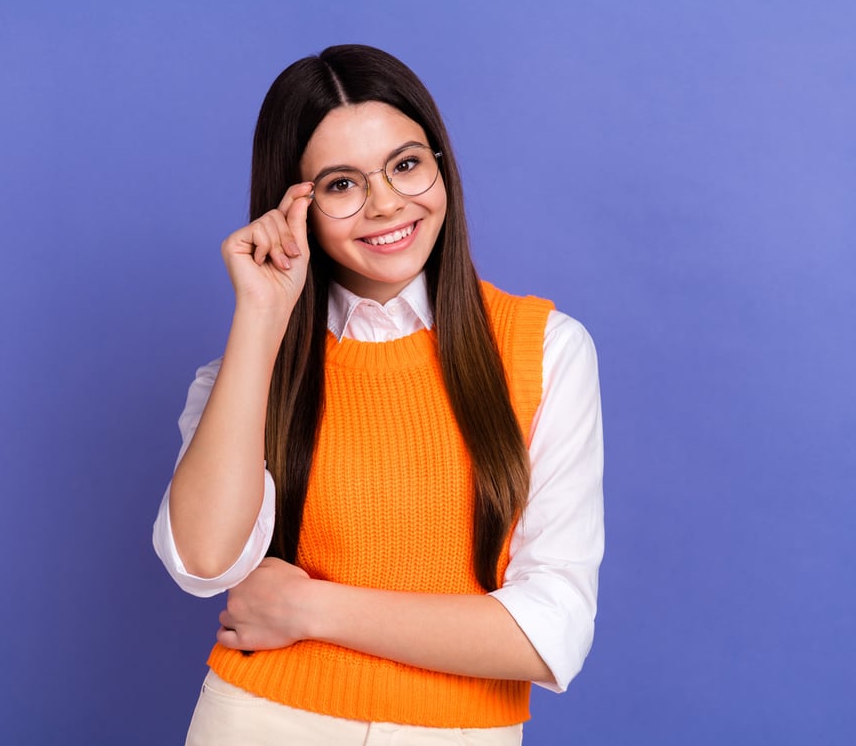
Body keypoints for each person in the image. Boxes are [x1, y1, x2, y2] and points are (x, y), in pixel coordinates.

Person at [153, 44, 604, 745]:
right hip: (257, 723)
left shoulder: (544, 350)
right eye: (340, 184)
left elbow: (551, 633)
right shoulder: (246, 370)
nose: (388, 203)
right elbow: (204, 562)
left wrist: (309, 610)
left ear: (440, 165)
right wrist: (261, 318)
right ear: (292, 207)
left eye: (405, 164)